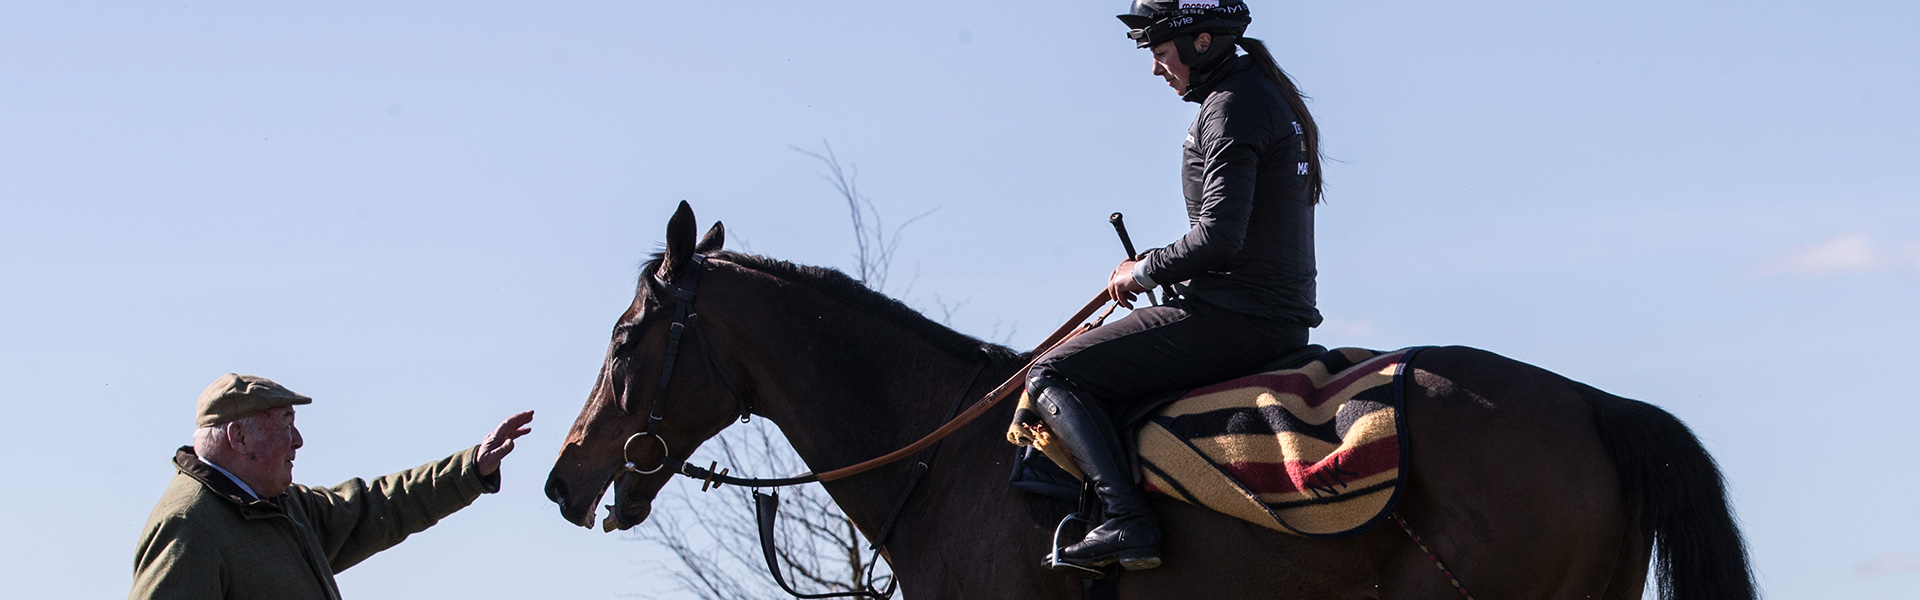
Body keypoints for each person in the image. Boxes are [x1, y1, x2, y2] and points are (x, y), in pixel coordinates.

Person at [1027, 0, 1324, 573]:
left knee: (1051, 373)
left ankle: (1127, 521)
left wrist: (1142, 270)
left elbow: (1219, 238)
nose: (1157, 69)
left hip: (1236, 323)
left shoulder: (1231, 109)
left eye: (1162, 53)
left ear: (1202, 43)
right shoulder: (1260, 97)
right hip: (1263, 316)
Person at [129, 373, 535, 600]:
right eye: (285, 423)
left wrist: (470, 470)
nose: (298, 440)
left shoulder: (284, 507)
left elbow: (379, 508)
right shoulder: (190, 526)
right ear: (239, 438)